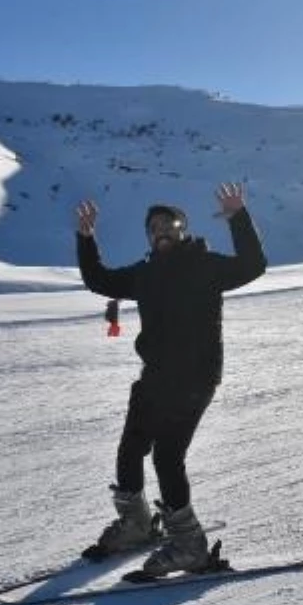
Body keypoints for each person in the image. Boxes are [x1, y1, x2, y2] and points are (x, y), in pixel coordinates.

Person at [74, 182, 266, 575]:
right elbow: (99, 280)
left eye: (168, 223)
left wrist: (239, 218)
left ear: (182, 229)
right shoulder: (146, 275)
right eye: (153, 227)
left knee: (166, 457)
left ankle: (190, 546)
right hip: (155, 378)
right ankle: (136, 525)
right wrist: (86, 238)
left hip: (195, 378)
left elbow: (253, 265)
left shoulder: (206, 265)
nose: (160, 230)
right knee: (130, 451)